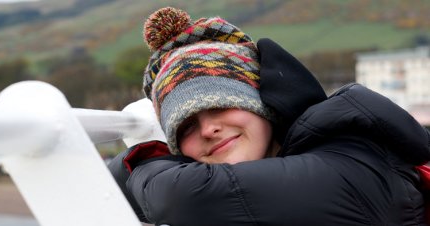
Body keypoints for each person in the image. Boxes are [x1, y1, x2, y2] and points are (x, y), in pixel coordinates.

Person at [108, 7, 430, 225]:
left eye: (219, 105)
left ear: (260, 103)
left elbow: (186, 195)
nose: (208, 129)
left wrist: (140, 160)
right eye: (186, 125)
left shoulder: (350, 164)